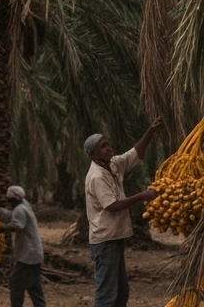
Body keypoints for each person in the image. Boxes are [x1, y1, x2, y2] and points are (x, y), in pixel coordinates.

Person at [84, 118, 164, 307]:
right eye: (104, 146)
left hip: (115, 238)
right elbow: (112, 205)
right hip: (105, 242)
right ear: (94, 154)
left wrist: (150, 131)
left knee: (121, 294)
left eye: (108, 144)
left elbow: (135, 153)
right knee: (106, 295)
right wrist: (142, 196)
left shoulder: (112, 165)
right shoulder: (96, 176)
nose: (109, 148)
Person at [0, 186, 46, 307]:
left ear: (12, 200)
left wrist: (1, 228)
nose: (9, 203)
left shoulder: (20, 209)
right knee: (33, 285)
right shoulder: (24, 205)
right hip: (35, 253)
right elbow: (10, 217)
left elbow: (17, 225)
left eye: (9, 200)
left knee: (15, 282)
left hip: (28, 255)